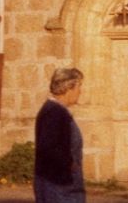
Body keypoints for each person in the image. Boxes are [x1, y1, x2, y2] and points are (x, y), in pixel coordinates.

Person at [34, 67, 85, 203]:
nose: (80, 91)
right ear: (68, 88)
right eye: (79, 86)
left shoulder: (56, 111)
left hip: (61, 185)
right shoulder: (54, 113)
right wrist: (69, 164)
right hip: (58, 187)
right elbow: (48, 147)